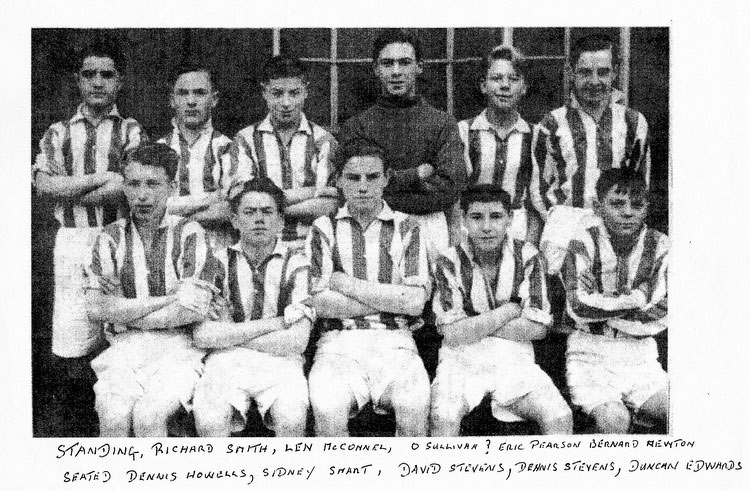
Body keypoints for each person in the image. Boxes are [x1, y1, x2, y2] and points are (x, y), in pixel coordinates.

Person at [32, 38, 145, 436]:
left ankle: (119, 426)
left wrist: (71, 185)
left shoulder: (131, 130)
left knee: (122, 330)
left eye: (107, 74)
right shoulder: (58, 132)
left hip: (118, 236)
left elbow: (129, 187)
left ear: (120, 81)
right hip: (74, 238)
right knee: (72, 334)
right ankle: (79, 433)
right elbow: (44, 186)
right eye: (89, 74)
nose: (98, 82)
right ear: (78, 80)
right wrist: (100, 178)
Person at [84, 142, 216, 437]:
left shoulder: (190, 233)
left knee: (149, 415)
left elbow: (190, 309)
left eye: (153, 184)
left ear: (172, 186)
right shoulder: (109, 238)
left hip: (179, 349)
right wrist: (167, 298)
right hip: (124, 348)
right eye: (133, 184)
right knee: (113, 414)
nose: (142, 195)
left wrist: (122, 311)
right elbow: (96, 309)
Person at [306, 140, 431, 437]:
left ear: (386, 178)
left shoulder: (408, 227)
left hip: (396, 342)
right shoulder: (323, 227)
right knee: (327, 407)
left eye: (372, 177)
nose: (363, 186)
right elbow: (318, 302)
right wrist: (391, 298)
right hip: (337, 343)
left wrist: (344, 283)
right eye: (353, 178)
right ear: (338, 180)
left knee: (414, 404)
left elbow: (414, 304)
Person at [431, 184, 572, 436]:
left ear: (510, 218)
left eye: (496, 217)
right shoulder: (448, 259)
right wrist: (509, 310)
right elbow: (453, 335)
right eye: (476, 217)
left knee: (559, 416)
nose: (486, 227)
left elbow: (537, 329)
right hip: (461, 360)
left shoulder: (528, 256)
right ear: (463, 219)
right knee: (443, 418)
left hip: (514, 359)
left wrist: (472, 324)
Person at [192, 177, 312, 437]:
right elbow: (202, 336)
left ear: (281, 221)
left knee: (291, 418)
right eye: (249, 212)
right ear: (234, 220)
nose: (259, 219)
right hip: (225, 362)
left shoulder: (298, 264)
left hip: (281, 363)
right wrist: (277, 323)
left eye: (267, 212)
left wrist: (230, 332)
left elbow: (296, 342)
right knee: (211, 420)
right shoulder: (216, 263)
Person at [338, 29, 466, 259]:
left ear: (419, 66)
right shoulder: (357, 126)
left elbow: (449, 190)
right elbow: (356, 189)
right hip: (371, 225)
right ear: (376, 69)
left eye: (404, 63)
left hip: (429, 225)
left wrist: (385, 188)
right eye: (387, 64)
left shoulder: (442, 123)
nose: (396, 72)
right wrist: (417, 175)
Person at [561, 168, 668, 433]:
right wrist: (639, 297)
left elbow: (661, 315)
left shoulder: (662, 246)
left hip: (640, 357)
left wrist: (601, 300)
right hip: (589, 356)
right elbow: (577, 308)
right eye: (617, 204)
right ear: (598, 207)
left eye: (637, 204)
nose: (628, 212)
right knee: (614, 420)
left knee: (682, 410)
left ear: (647, 207)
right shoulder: (582, 242)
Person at [532, 34, 650, 217]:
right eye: (585, 72)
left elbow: (640, 185)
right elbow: (539, 190)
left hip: (618, 227)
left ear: (615, 73)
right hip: (566, 227)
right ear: (572, 73)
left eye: (603, 72)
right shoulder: (552, 123)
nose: (594, 81)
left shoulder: (633, 122)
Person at [230, 55, 338, 248]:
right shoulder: (245, 140)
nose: (286, 103)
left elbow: (329, 205)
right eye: (278, 93)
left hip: (312, 246)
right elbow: (242, 200)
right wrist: (310, 192)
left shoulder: (324, 141)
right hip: (260, 248)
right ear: (265, 93)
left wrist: (267, 205)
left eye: (294, 93)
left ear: (306, 91)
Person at [458, 45, 541, 245]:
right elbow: (457, 193)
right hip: (473, 225)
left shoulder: (535, 134)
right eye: (496, 78)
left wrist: (529, 244)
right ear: (484, 85)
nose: (505, 86)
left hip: (517, 226)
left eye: (513, 79)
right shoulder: (464, 131)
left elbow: (536, 199)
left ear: (523, 87)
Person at [157, 63, 235, 249]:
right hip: (169, 251)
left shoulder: (228, 147)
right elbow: (152, 208)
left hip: (217, 250)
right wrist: (212, 198)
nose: (191, 101)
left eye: (199, 93)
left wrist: (176, 210)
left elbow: (231, 209)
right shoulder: (158, 149)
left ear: (214, 99)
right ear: (172, 100)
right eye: (183, 93)